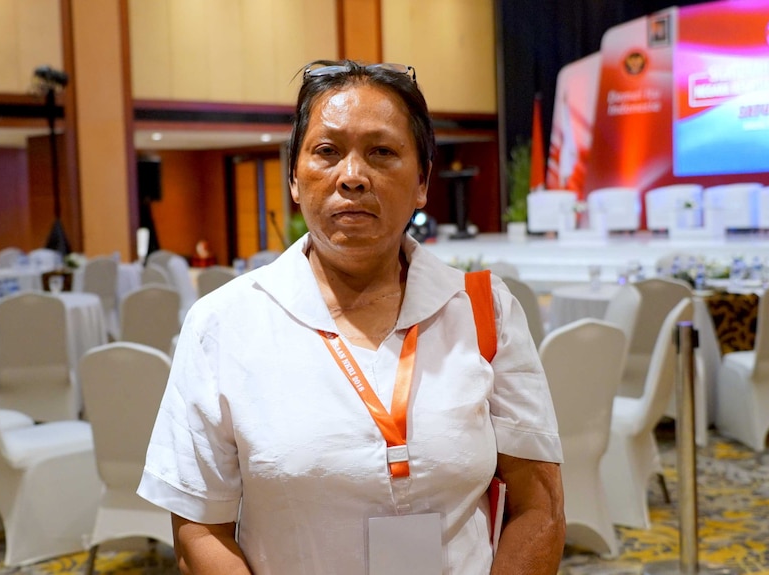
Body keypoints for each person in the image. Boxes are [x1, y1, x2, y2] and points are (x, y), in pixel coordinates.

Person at [138, 59, 565, 574]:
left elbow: (539, 507)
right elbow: (199, 527)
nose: (353, 177)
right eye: (327, 152)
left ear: (423, 182)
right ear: (295, 178)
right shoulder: (223, 324)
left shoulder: (483, 310)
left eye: (382, 152)